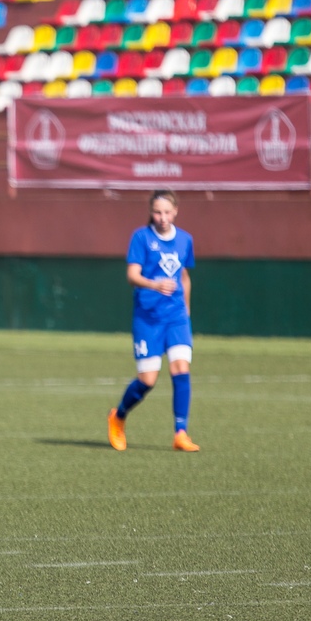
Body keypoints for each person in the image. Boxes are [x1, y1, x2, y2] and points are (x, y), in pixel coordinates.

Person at [107, 189, 200, 453]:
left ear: (176, 211)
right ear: (151, 212)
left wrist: (187, 312)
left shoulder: (184, 240)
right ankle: (119, 416)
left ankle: (180, 433)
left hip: (177, 318)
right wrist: (154, 284)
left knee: (181, 369)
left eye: (167, 212)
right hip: (148, 318)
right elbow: (131, 275)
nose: (162, 217)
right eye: (157, 212)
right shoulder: (141, 237)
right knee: (147, 380)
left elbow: (184, 277)